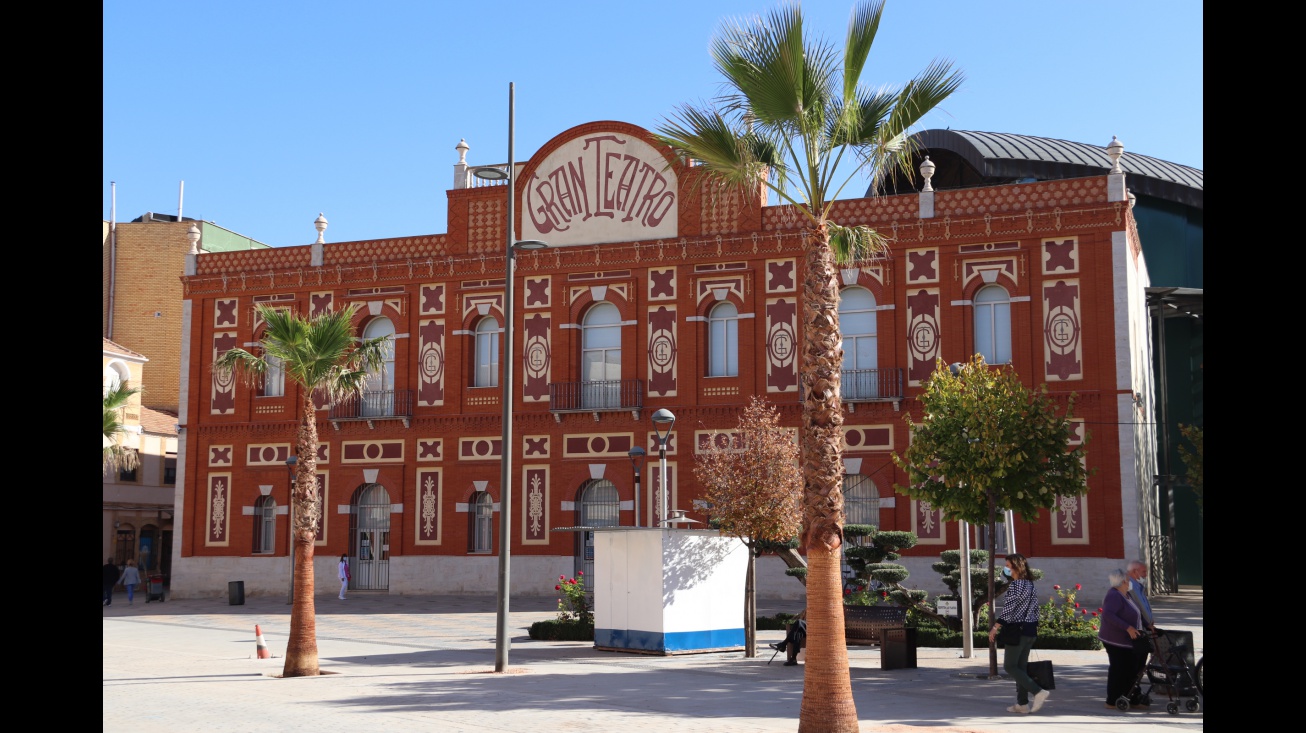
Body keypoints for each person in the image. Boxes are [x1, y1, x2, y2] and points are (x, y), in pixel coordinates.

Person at [988, 553, 1050, 714]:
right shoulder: (1030, 585)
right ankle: (1022, 704)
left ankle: (1038, 691)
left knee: (1009, 666)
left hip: (1017, 632)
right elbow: (1036, 609)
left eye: (1008, 566)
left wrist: (995, 627)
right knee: (1020, 668)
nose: (1006, 569)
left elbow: (1008, 610)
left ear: (1015, 567)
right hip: (1030, 630)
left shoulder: (1016, 586)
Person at [1099, 567, 1147, 709]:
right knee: (1119, 669)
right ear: (1123, 581)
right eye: (1128, 578)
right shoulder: (1114, 595)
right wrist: (1128, 628)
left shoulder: (1126, 594)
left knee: (1131, 669)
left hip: (1128, 640)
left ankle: (1130, 696)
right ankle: (1112, 700)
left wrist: (1147, 625)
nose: (1130, 580)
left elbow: (1135, 613)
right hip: (1115, 640)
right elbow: (1108, 614)